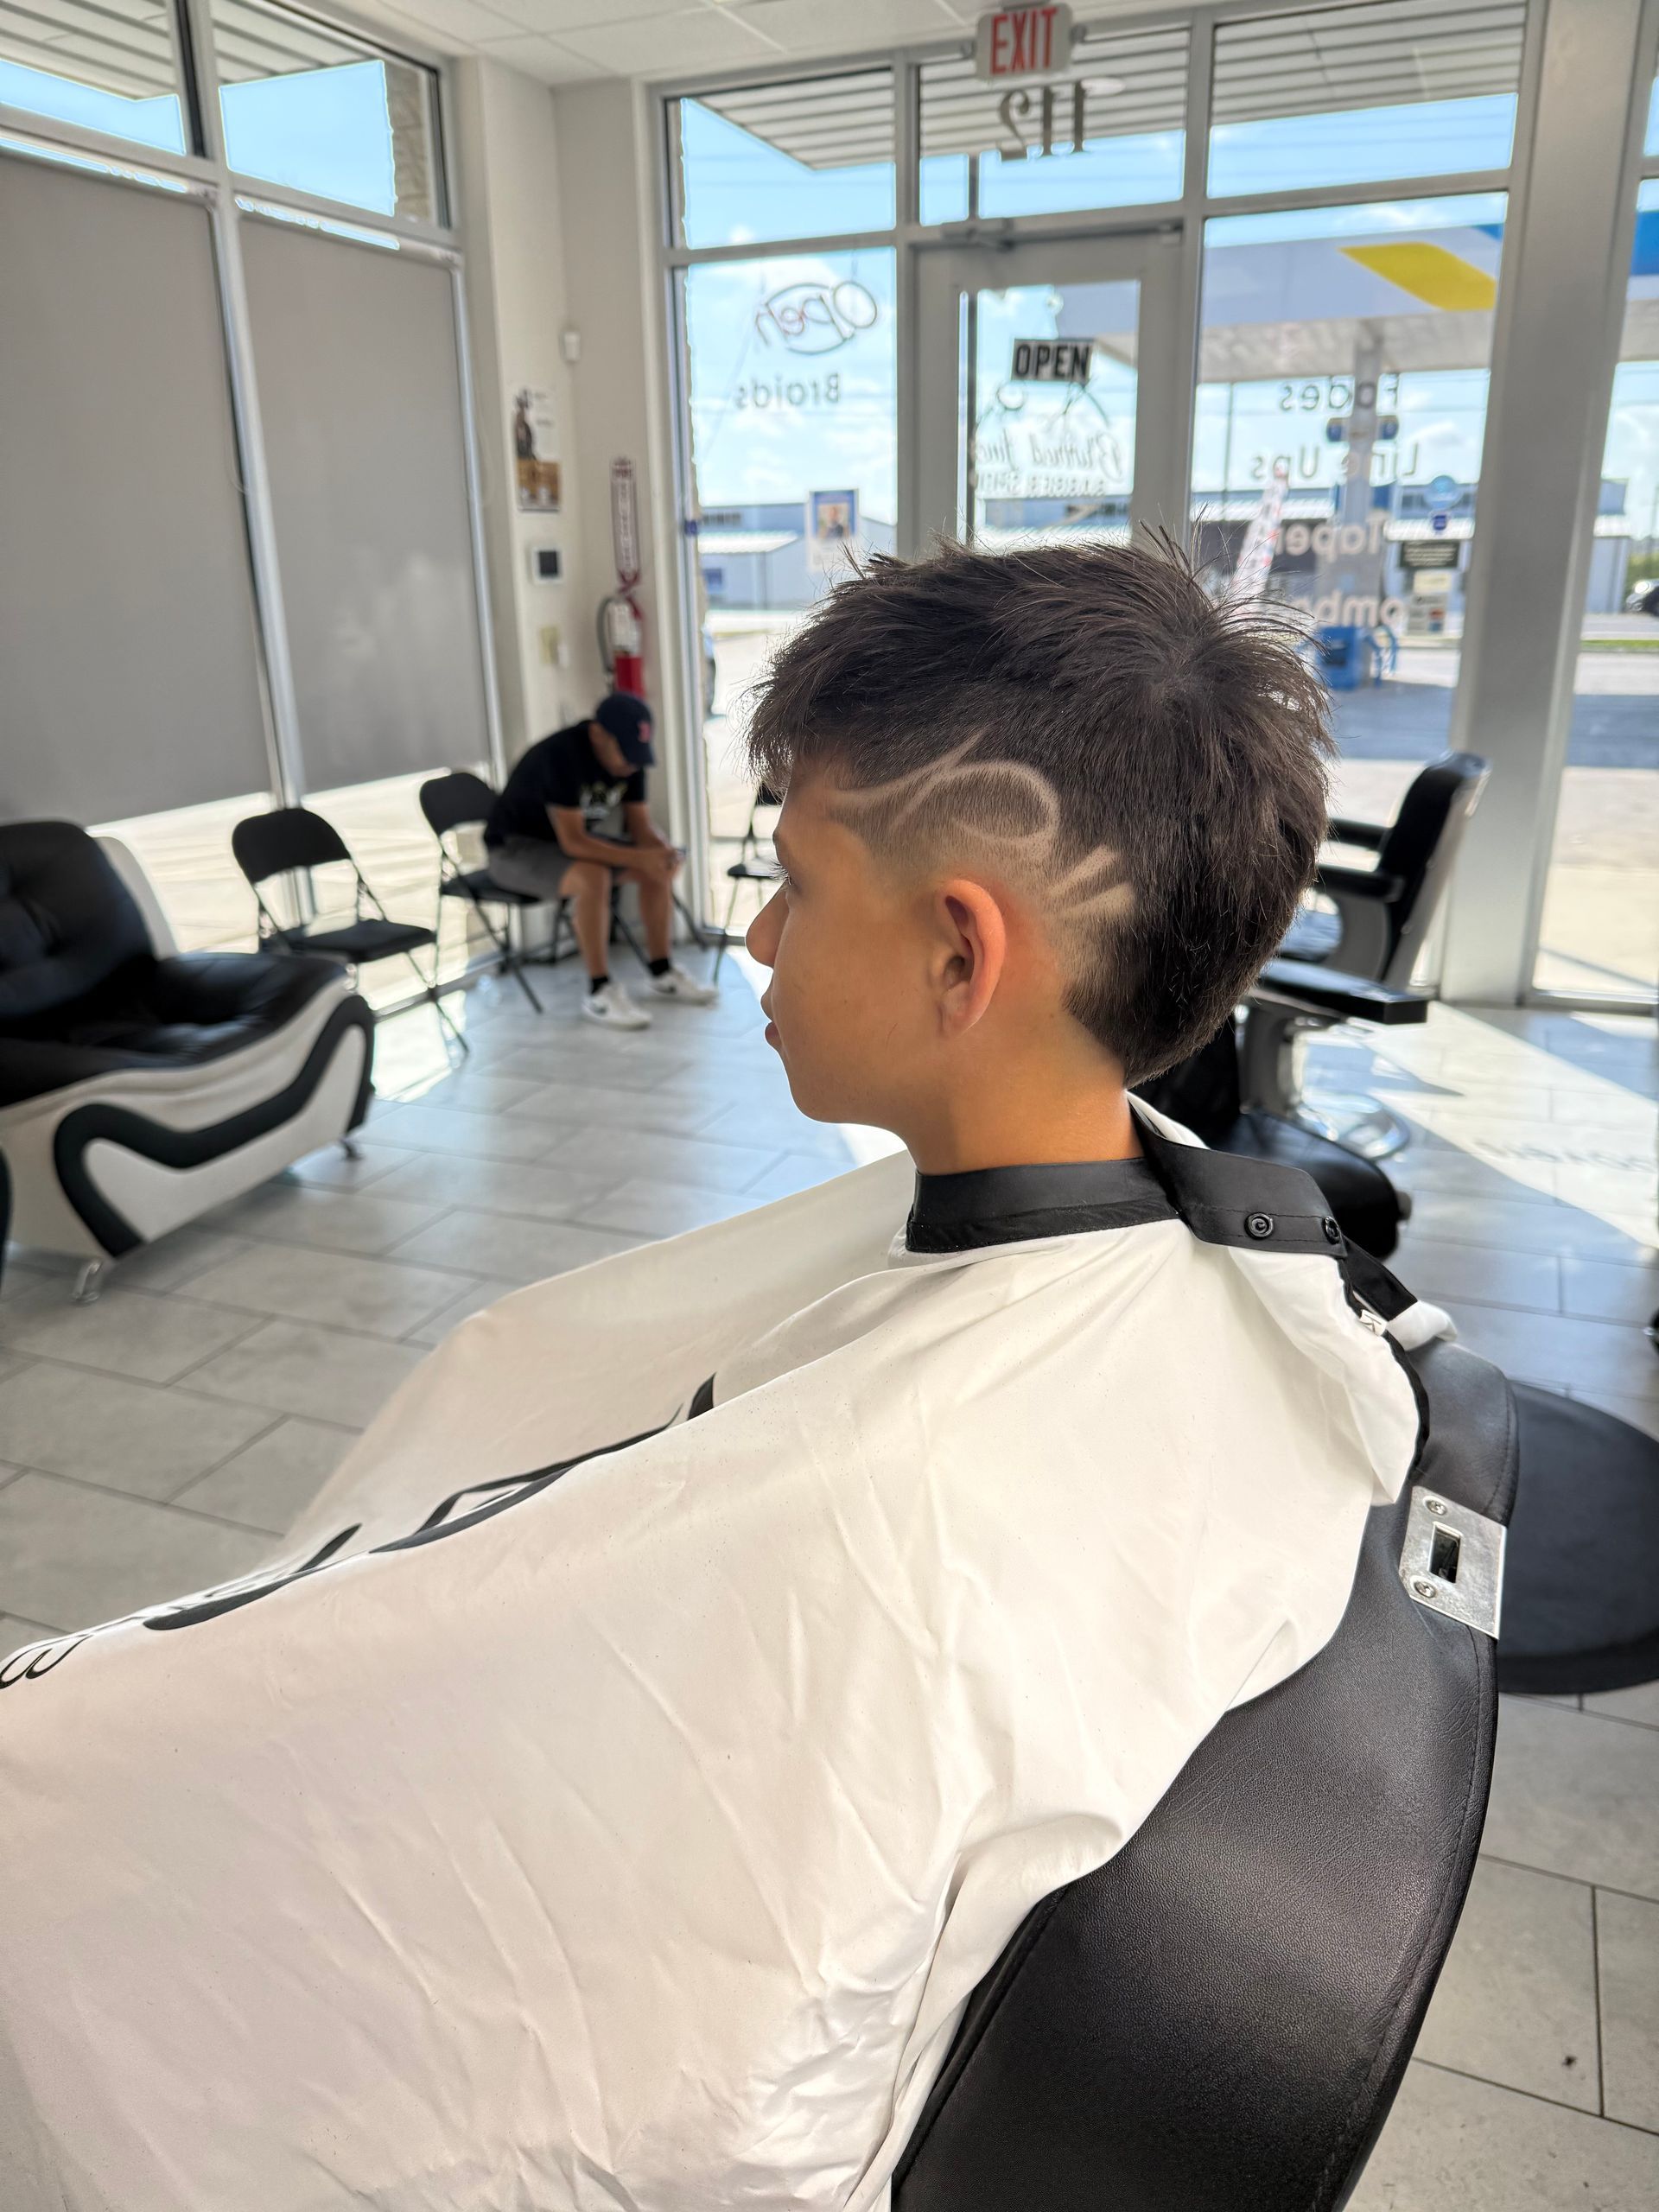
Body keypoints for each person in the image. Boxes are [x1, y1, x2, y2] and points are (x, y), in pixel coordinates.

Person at [0, 540, 1447, 2212]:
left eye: (797, 881)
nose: (754, 932)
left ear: (961, 957)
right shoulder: (1201, 1260)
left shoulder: (882, 1501)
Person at [485, 690, 717, 1028]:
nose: (629, 764)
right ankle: (599, 993)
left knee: (654, 868)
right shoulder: (560, 756)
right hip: (513, 850)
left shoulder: (632, 757)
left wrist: (662, 852)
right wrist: (642, 856)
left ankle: (662, 972)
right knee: (593, 876)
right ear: (597, 733)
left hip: (566, 846)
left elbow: (640, 826)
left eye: (636, 755)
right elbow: (575, 841)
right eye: (623, 752)